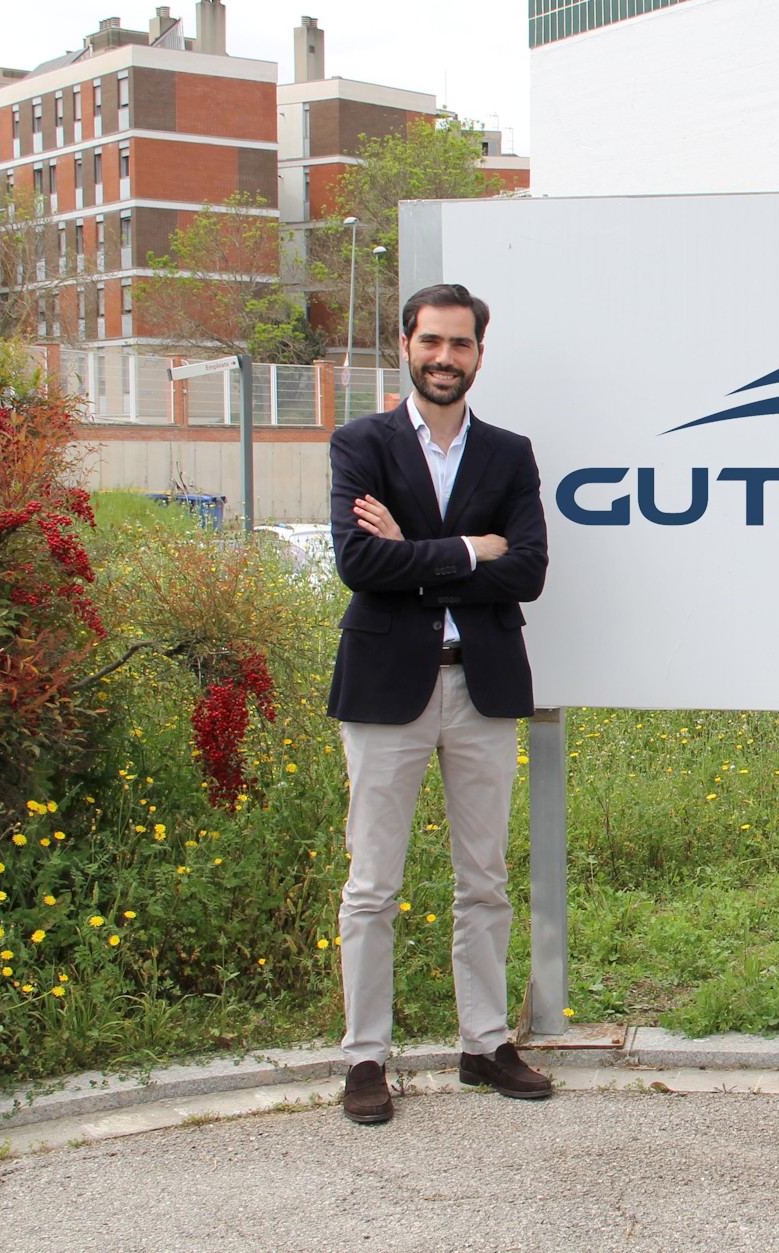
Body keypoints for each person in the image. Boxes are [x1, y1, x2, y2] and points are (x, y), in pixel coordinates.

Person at [327, 282, 553, 1124]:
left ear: (480, 354)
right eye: (431, 341)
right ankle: (365, 1057)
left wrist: (415, 553)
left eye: (460, 344)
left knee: (484, 878)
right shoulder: (361, 443)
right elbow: (358, 563)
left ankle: (485, 1043)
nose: (444, 358)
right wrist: (467, 548)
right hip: (386, 687)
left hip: (481, 683)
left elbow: (527, 569)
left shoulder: (510, 454)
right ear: (405, 344)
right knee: (372, 884)